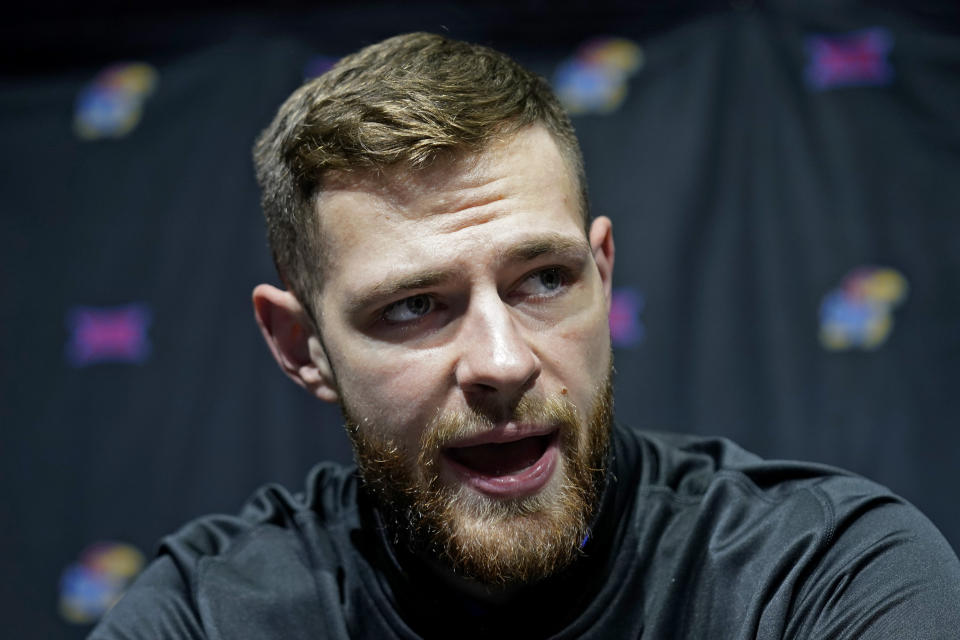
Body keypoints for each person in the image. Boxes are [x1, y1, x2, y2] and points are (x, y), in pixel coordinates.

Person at [91, 32, 960, 639]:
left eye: (544, 280)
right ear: (300, 346)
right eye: (412, 306)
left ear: (603, 272)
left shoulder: (821, 577)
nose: (503, 363)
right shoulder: (206, 616)